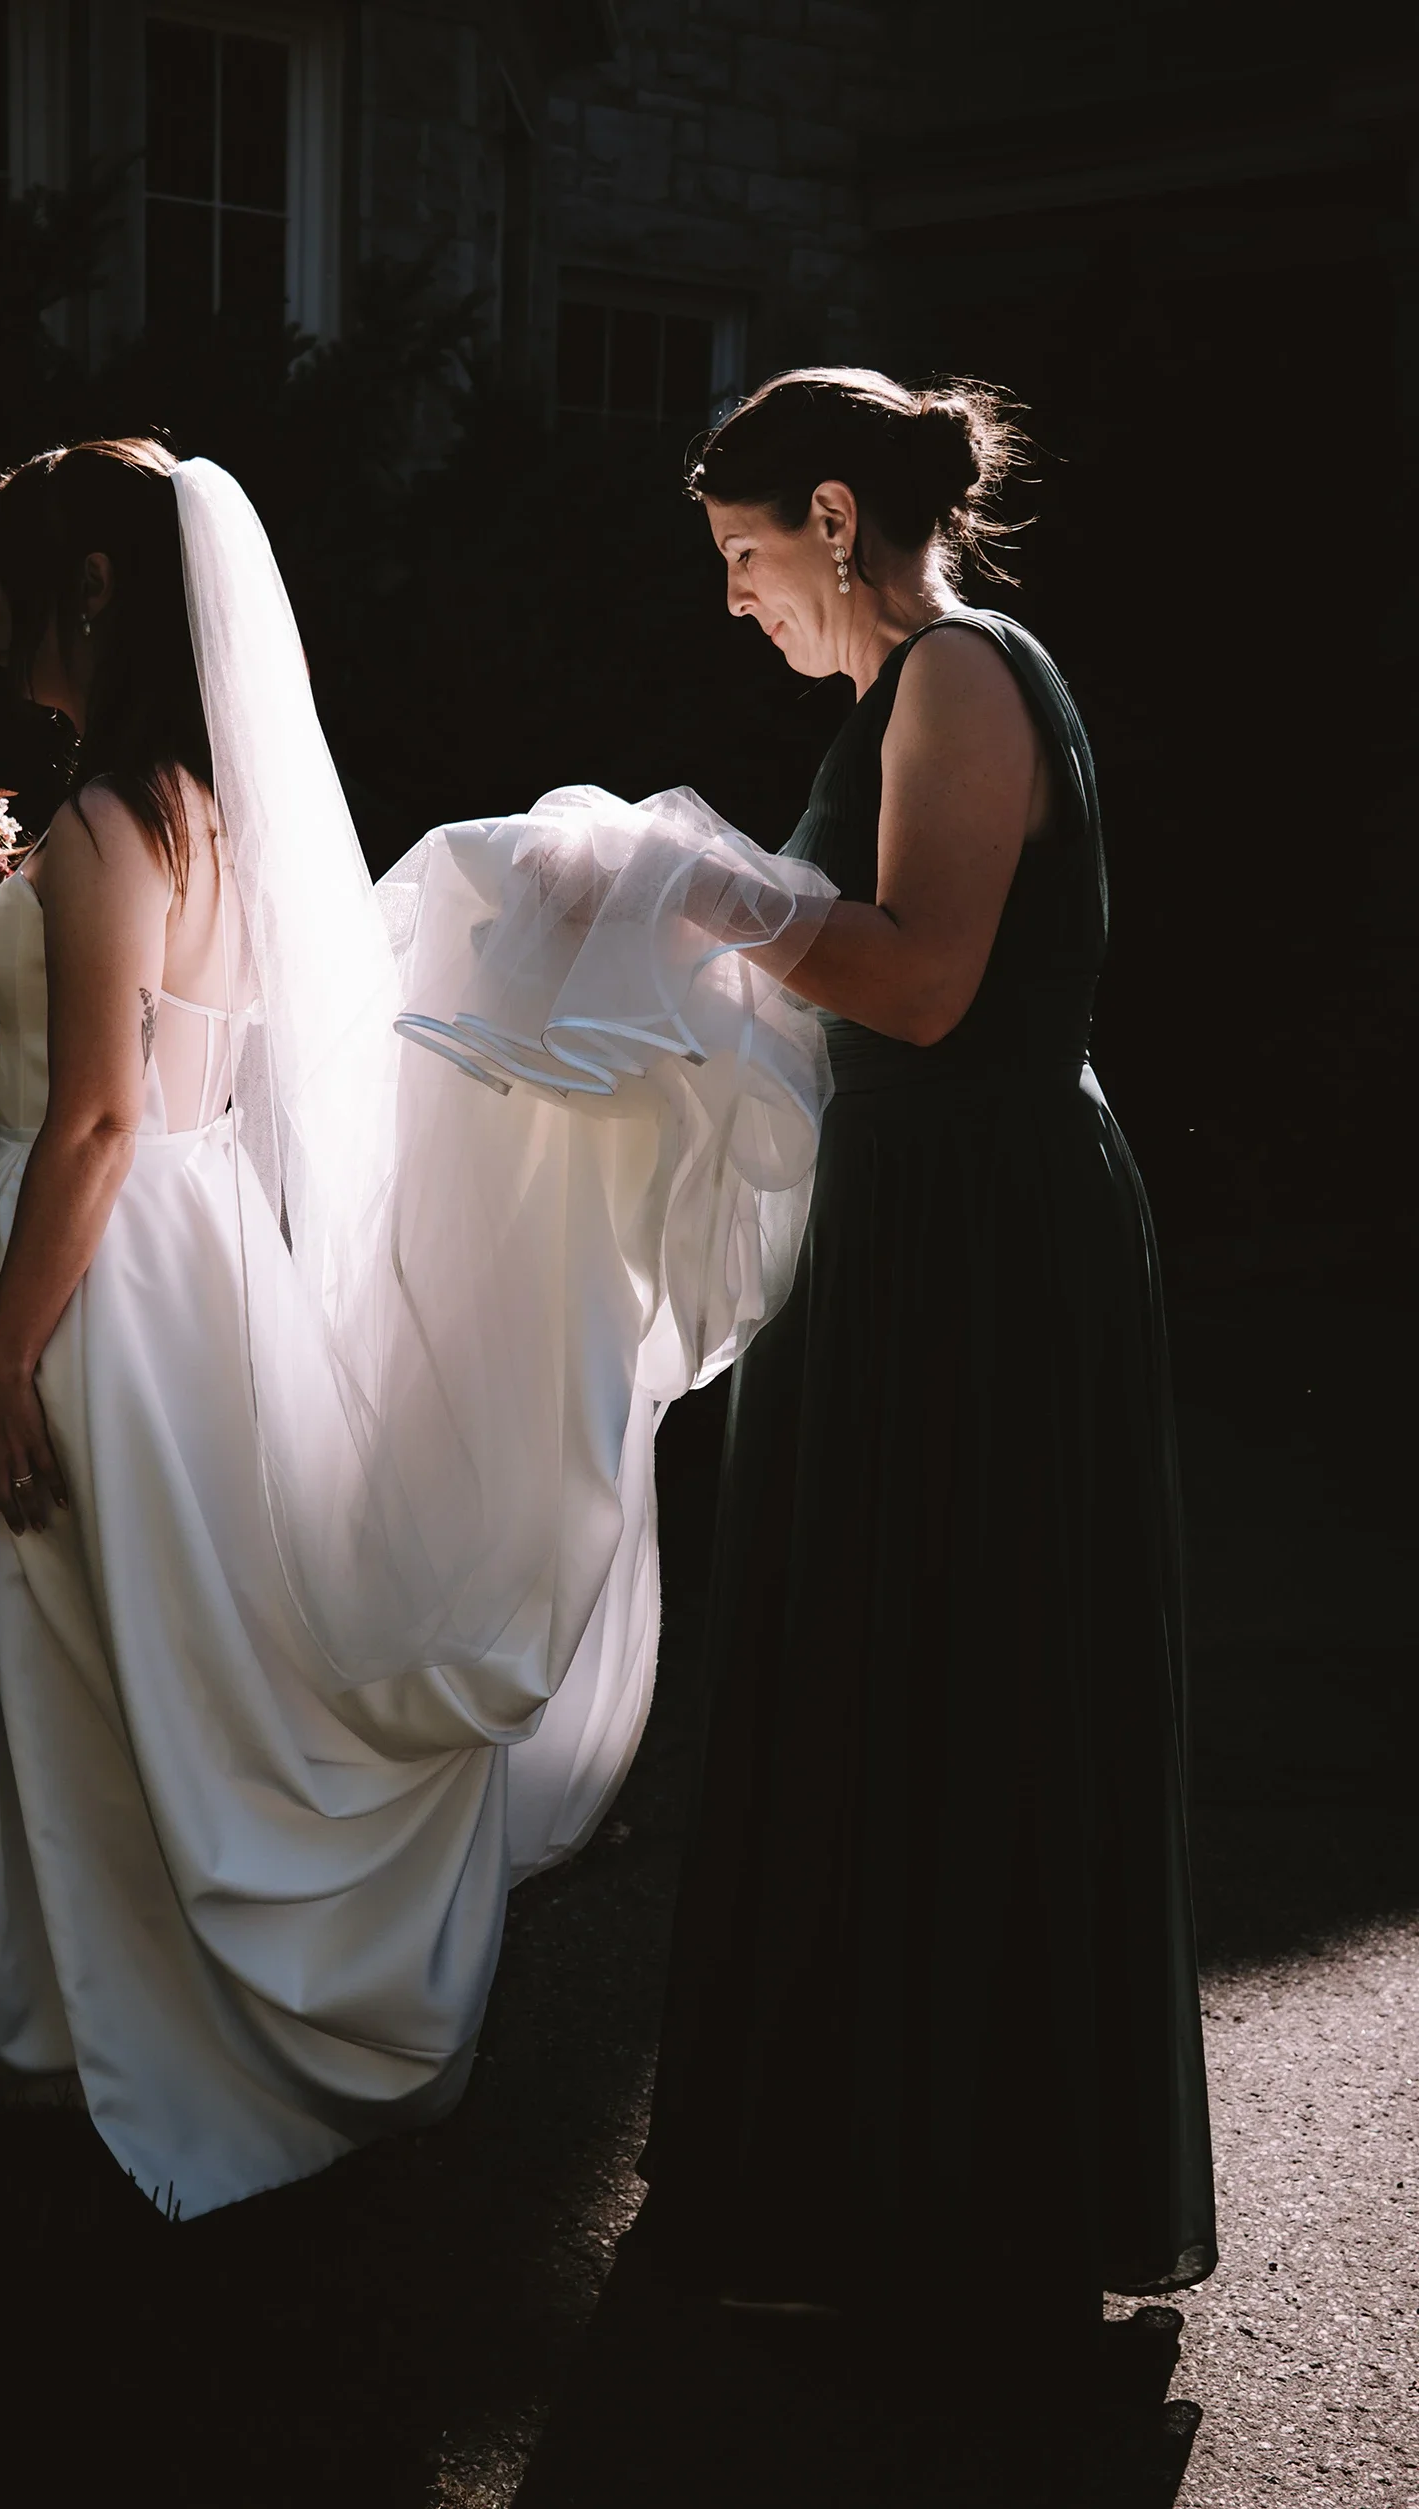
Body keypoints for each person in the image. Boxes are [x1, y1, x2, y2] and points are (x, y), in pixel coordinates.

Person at [0, 439, 840, 2215]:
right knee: (164, 1640)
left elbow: (97, 1118)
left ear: (95, 592)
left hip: (93, 1270)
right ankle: (126, 2007)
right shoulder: (210, 806)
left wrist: (10, 1355)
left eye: (10, 573)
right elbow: (176, 1061)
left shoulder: (103, 822)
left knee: (87, 1640)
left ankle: (92, 2031)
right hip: (200, 1251)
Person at [628, 368, 1217, 2365]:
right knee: (878, 1667)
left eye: (741, 556)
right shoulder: (905, 699)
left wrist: (686, 879)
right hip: (906, 1225)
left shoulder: (964, 674)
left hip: (980, 1241)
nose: (734, 600)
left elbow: (924, 979)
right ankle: (866, 2184)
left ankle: (948, 2210)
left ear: (829, 513)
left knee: (952, 1664)